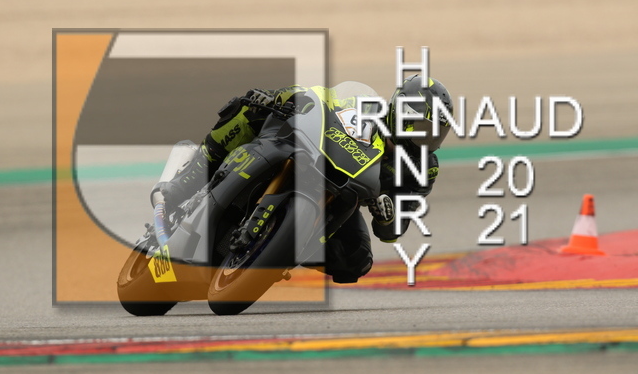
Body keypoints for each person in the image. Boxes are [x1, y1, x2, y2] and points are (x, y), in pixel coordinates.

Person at [159, 74, 453, 284]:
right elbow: (318, 96)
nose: (426, 138)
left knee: (356, 260)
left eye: (435, 133)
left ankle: (279, 251)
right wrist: (282, 97)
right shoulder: (365, 107)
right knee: (250, 109)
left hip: (342, 194)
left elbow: (392, 232)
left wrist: (387, 215)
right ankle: (191, 176)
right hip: (308, 154)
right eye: (421, 127)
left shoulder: (423, 168)